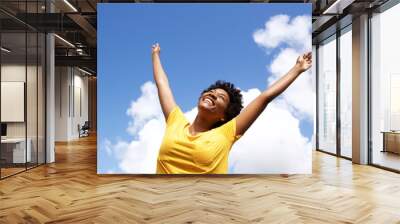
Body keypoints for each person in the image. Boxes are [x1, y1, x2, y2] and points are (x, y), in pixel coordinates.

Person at [151, 43, 312, 174]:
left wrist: (297, 69)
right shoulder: (176, 121)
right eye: (211, 92)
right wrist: (155, 55)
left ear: (223, 116)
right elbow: (162, 84)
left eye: (221, 97)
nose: (213, 94)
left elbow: (264, 98)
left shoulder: (226, 133)